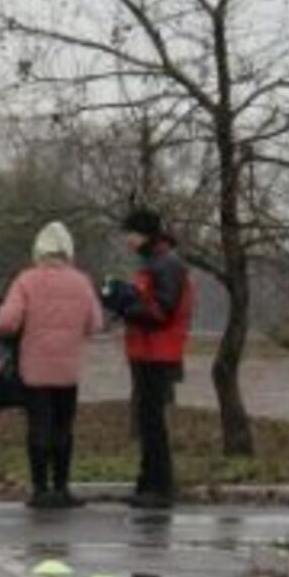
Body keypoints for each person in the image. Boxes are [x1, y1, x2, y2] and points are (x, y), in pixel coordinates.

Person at [0, 221, 103, 508]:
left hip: (35, 370)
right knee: (64, 428)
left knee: (38, 427)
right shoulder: (82, 281)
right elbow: (95, 324)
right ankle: (62, 488)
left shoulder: (26, 280)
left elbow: (6, 324)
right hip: (68, 371)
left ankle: (40, 489)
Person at [106, 207, 193, 509]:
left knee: (152, 420)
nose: (127, 240)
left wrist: (125, 305)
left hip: (158, 351)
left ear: (145, 234)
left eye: (130, 234)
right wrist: (122, 298)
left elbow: (161, 311)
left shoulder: (165, 265)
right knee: (147, 419)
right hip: (146, 350)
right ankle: (149, 482)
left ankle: (159, 485)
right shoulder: (153, 263)